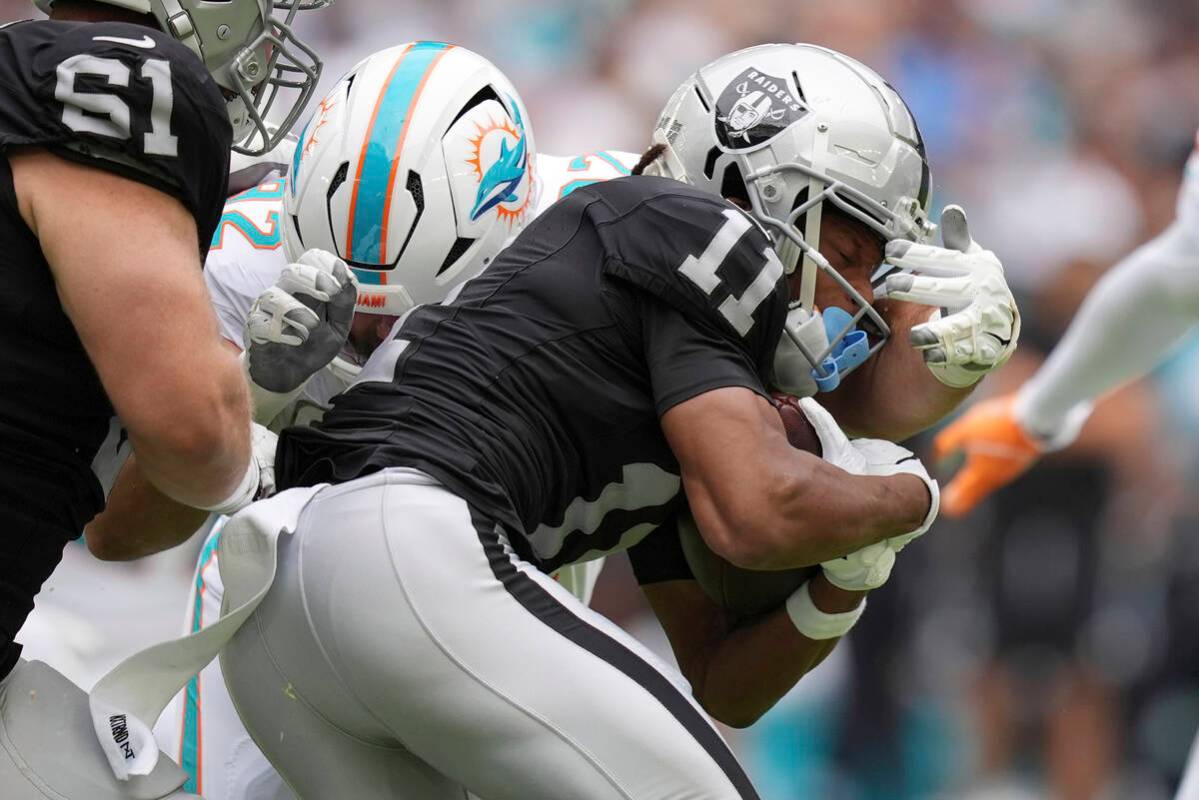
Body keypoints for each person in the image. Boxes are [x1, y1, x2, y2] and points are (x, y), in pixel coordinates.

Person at [199, 43, 1018, 799]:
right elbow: (758, 511)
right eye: (842, 255)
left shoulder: (661, 377)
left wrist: (850, 574)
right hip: (401, 548)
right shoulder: (692, 229)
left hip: (288, 606)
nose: (858, 298)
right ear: (756, 196)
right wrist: (911, 500)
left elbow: (726, 683)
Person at [103, 41, 631, 800]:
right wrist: (252, 393)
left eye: (404, 323)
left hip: (517, 552)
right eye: (356, 325)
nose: (378, 350)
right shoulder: (238, 264)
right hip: (290, 587)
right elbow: (124, 530)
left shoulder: (606, 233)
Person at [0, 1, 328, 798]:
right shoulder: (121, 72)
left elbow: (116, 529)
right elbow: (190, 434)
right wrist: (249, 425)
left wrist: (246, 388)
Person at [933, 132, 1199, 800]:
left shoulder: (1075, 339)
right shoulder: (1016, 324)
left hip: (1088, 540)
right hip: (999, 531)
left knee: (1087, 683)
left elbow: (1130, 424)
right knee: (985, 674)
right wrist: (1042, 413)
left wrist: (1035, 413)